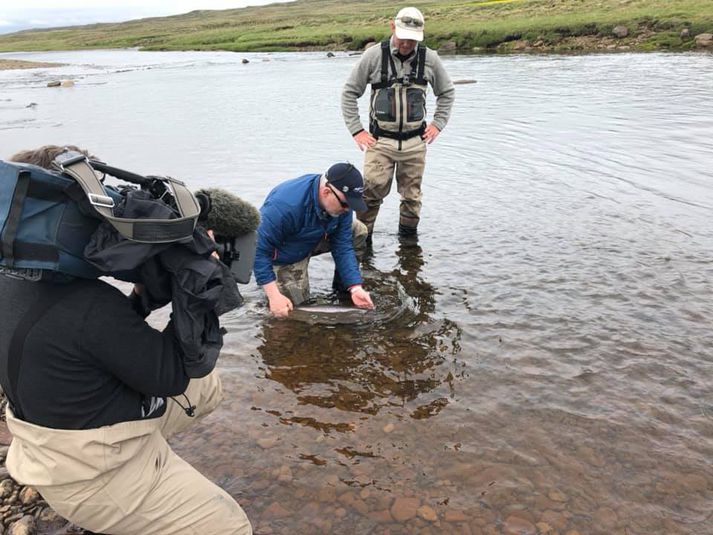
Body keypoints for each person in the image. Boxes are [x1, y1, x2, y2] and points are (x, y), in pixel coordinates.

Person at [0, 146, 251, 535]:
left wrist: (144, 295)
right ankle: (140, 501)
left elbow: (91, 342)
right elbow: (172, 377)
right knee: (230, 524)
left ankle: (150, 478)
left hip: (46, 448)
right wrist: (196, 283)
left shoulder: (13, 283)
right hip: (92, 478)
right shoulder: (90, 308)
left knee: (207, 389)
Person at [341, 6, 455, 243]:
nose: (407, 44)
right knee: (369, 195)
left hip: (415, 143)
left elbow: (447, 93)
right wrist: (357, 130)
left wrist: (438, 123)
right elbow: (349, 93)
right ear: (393, 27)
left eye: (413, 40)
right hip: (379, 142)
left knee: (412, 198)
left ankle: (409, 247)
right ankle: (362, 244)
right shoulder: (373, 56)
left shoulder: (430, 58)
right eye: (404, 38)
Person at [254, 162, 375, 317]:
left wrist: (355, 287)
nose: (347, 210)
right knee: (292, 310)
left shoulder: (342, 205)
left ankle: (343, 290)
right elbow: (258, 250)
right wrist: (273, 296)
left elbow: (342, 245)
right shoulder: (283, 206)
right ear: (326, 192)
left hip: (314, 236)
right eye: (345, 204)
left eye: (351, 205)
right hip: (286, 253)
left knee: (358, 230)